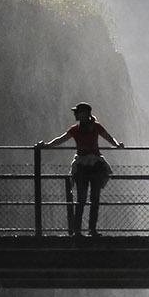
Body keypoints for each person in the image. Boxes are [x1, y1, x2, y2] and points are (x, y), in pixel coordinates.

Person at [37, 101, 124, 236]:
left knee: (89, 199)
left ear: (85, 113)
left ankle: (86, 230)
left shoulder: (89, 127)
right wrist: (47, 145)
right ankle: (86, 230)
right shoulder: (81, 128)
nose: (76, 114)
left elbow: (108, 138)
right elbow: (61, 139)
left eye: (78, 112)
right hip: (91, 165)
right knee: (86, 199)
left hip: (88, 166)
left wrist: (117, 144)